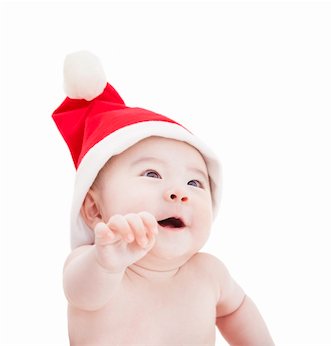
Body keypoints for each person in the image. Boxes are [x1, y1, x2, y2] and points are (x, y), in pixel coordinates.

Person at [52, 51, 274, 345]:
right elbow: (81, 291)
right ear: (94, 208)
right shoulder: (95, 267)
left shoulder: (209, 272)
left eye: (195, 182)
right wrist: (105, 263)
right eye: (152, 174)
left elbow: (236, 311)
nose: (179, 192)